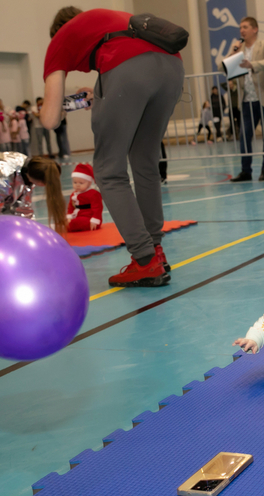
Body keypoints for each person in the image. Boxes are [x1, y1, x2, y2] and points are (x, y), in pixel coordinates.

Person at [40, 7, 184, 287]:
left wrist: (59, 106)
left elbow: (48, 119)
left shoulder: (59, 41)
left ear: (59, 31)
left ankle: (144, 260)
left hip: (128, 70)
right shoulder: (106, 19)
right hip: (173, 67)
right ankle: (155, 249)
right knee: (145, 161)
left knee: (108, 170)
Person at [226, 16, 264, 183]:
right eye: (240, 27)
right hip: (247, 99)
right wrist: (233, 52)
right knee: (244, 136)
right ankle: (246, 171)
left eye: (245, 27)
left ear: (254, 29)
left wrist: (252, 65)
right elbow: (222, 67)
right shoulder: (238, 47)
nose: (241, 30)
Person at [16, 156, 68, 234]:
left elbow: (23, 208)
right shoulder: (6, 176)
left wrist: (32, 230)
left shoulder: (30, 170)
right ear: (42, 183)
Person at [66, 162, 103, 231]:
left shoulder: (93, 194)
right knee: (66, 221)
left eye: (81, 183)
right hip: (77, 216)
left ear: (89, 183)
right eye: (75, 182)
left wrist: (94, 220)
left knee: (75, 223)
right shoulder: (73, 194)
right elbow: (70, 207)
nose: (77, 185)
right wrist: (69, 216)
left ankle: (64, 227)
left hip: (89, 218)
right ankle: (64, 225)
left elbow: (97, 208)